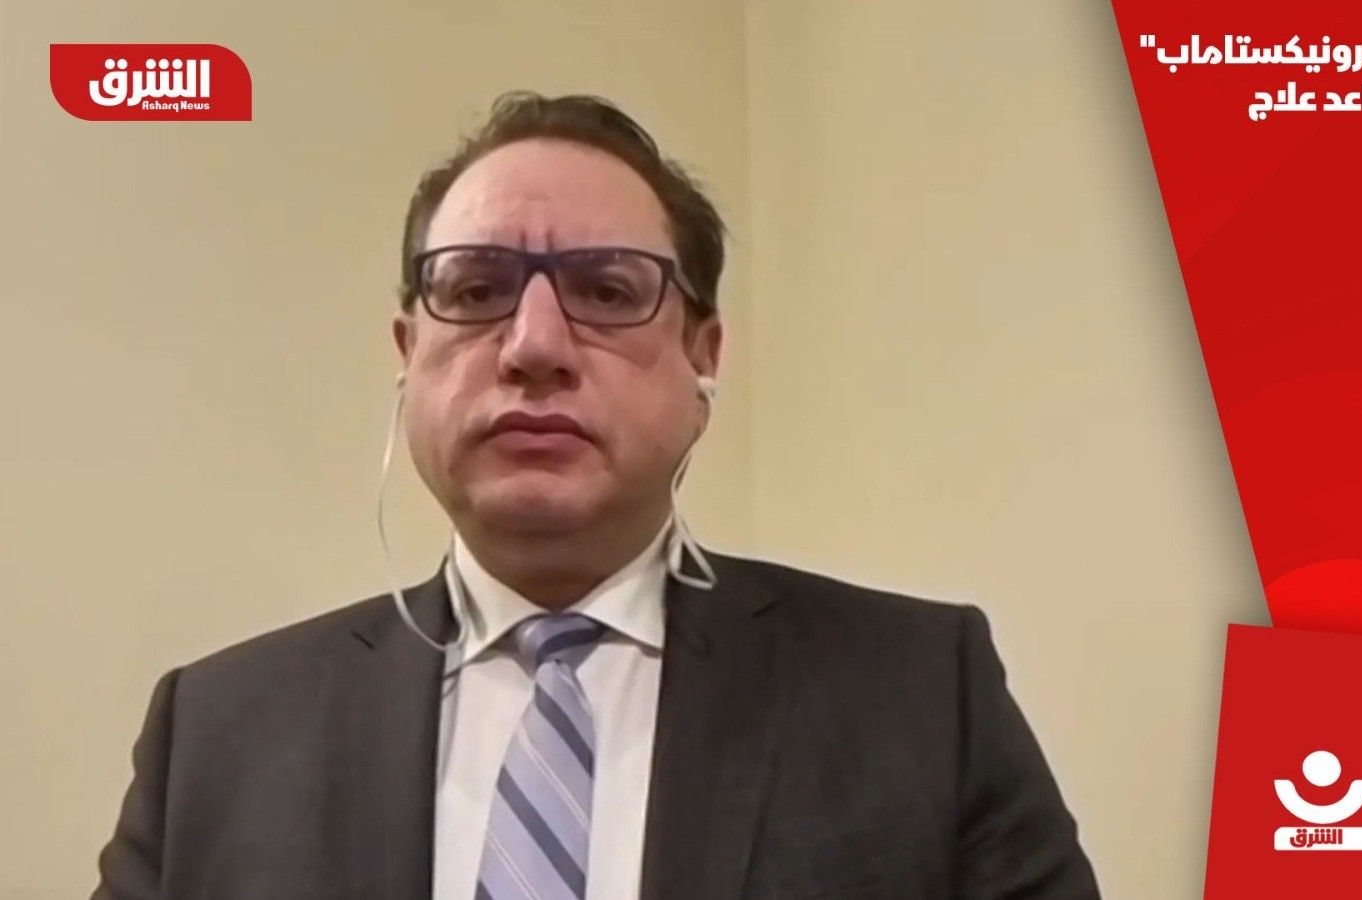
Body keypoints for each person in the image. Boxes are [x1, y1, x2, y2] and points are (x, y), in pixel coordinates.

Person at [91, 90, 1100, 900]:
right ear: (407, 353)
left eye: (609, 291)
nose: (534, 346)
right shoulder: (216, 735)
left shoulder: (920, 696)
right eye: (475, 290)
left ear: (703, 360)